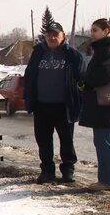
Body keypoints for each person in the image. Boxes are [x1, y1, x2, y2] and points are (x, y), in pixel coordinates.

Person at [24, 22, 86, 184]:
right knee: (43, 141)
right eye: (49, 34)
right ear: (44, 36)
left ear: (63, 36)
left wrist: (80, 99)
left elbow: (83, 79)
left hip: (64, 106)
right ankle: (47, 171)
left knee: (66, 140)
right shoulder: (38, 53)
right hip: (41, 105)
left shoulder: (72, 55)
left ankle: (68, 171)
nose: (52, 37)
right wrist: (28, 98)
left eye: (55, 34)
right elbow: (29, 75)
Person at [79, 18, 110, 191]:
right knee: (102, 141)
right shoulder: (104, 48)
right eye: (91, 30)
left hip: (106, 103)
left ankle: (108, 181)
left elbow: (104, 74)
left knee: (104, 142)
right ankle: (108, 179)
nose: (92, 34)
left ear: (106, 31)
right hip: (103, 103)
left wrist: (86, 83)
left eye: (95, 30)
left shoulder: (109, 49)